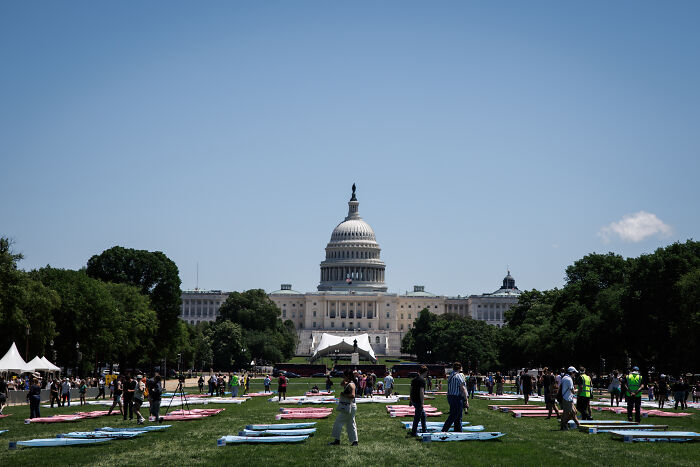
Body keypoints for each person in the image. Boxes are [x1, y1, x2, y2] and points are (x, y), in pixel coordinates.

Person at [329, 369, 358, 446]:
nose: (343, 377)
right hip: (351, 406)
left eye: (344, 375)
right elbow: (342, 384)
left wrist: (343, 395)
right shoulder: (349, 383)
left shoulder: (351, 385)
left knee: (338, 422)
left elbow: (353, 395)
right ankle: (355, 441)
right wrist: (345, 380)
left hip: (349, 406)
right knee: (351, 423)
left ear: (347, 376)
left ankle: (337, 440)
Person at [441, 362, 467, 433]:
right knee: (454, 415)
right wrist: (466, 400)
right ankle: (444, 430)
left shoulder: (451, 375)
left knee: (457, 416)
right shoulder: (459, 376)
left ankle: (458, 431)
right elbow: (463, 388)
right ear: (460, 368)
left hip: (450, 396)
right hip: (457, 397)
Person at [409, 365, 428, 437]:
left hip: (414, 399)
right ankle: (414, 432)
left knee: (423, 415)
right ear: (425, 372)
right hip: (418, 400)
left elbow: (411, 390)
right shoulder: (422, 380)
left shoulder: (414, 380)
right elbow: (421, 391)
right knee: (417, 417)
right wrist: (422, 402)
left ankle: (424, 429)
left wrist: (410, 400)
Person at [559, 366, 580, 430]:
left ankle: (565, 424)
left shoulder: (565, 378)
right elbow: (573, 391)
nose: (575, 374)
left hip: (567, 398)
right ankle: (564, 425)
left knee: (574, 412)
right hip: (567, 398)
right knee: (567, 413)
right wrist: (578, 390)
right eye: (574, 373)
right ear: (571, 372)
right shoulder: (569, 379)